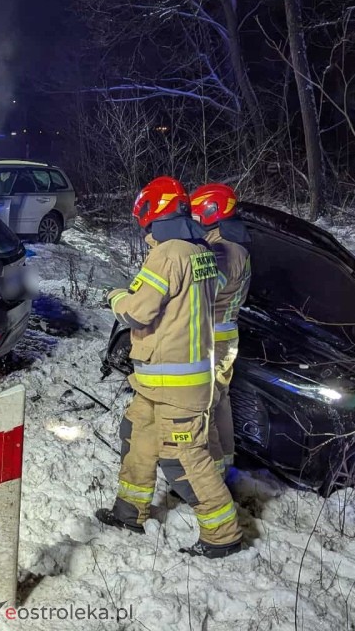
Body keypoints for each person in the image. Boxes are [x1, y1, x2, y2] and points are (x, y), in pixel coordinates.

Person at [95, 176, 243, 558]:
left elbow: (140, 310)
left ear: (152, 212)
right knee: (139, 437)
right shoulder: (200, 252)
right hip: (163, 380)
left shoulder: (169, 254)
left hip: (175, 383)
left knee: (185, 457)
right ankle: (129, 511)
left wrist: (115, 298)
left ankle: (223, 534)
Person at [190, 183, 252, 480]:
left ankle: (211, 474)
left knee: (206, 404)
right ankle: (225, 462)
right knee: (219, 399)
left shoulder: (224, 249)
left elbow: (205, 292)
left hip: (213, 336)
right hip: (227, 334)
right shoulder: (236, 243)